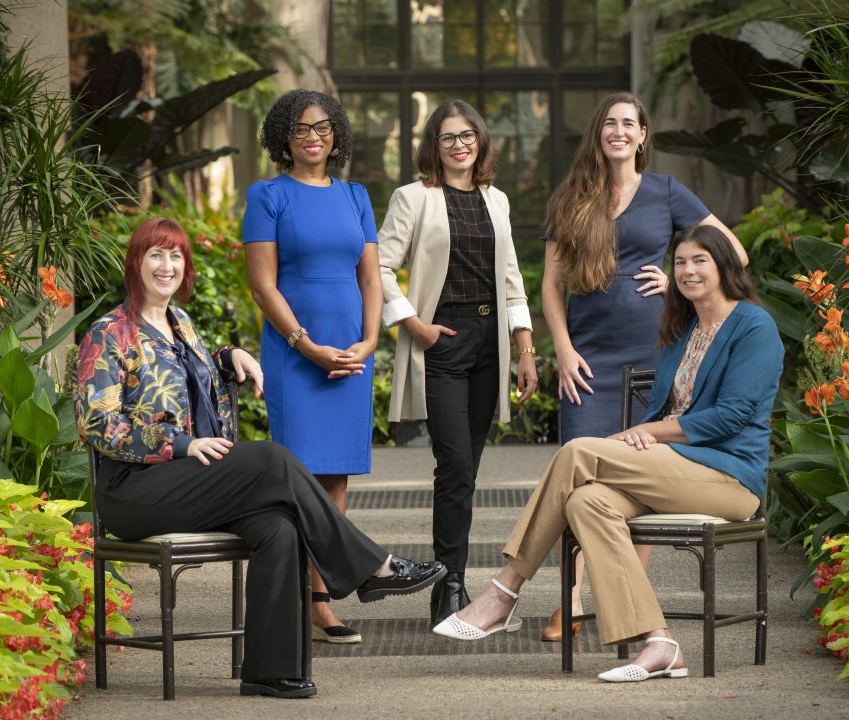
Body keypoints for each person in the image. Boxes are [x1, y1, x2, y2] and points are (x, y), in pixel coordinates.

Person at [76, 217, 445, 699]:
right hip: (134, 491)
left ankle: (270, 670)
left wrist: (230, 357)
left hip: (189, 481)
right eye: (155, 255)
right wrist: (182, 444)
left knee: (280, 526)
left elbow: (195, 378)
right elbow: (97, 424)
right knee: (273, 460)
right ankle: (371, 568)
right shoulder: (108, 334)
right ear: (136, 263)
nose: (166, 266)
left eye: (175, 256)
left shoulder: (180, 324)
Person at [434, 224, 783, 684]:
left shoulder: (753, 326)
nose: (688, 270)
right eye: (679, 261)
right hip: (673, 470)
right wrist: (647, 438)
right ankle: (659, 642)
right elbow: (668, 407)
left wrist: (647, 433)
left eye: (700, 260)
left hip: (729, 479)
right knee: (585, 502)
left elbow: (731, 417)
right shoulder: (683, 329)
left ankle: (504, 590)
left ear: (723, 265)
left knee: (578, 452)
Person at [539, 92, 750, 641]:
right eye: (609, 122)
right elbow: (551, 286)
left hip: (654, 354)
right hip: (586, 360)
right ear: (598, 134)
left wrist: (674, 278)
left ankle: (622, 598)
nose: (618, 131)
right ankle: (572, 599)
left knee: (643, 483)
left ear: (642, 136)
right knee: (576, 473)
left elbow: (734, 254)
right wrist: (562, 348)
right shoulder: (571, 197)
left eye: (628, 123)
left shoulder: (665, 191)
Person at [377, 99, 538, 626]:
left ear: (481, 140)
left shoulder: (497, 201)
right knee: (454, 467)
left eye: (468, 135)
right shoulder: (414, 198)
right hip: (440, 341)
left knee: (467, 470)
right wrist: (411, 322)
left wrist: (524, 347)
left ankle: (451, 578)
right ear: (433, 146)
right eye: (448, 137)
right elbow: (377, 265)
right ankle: (449, 585)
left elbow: (511, 275)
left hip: (490, 343)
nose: (459, 144)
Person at [242, 89, 381, 644]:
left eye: (322, 127)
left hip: (350, 353)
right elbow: (262, 284)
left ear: (336, 134)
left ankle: (321, 595)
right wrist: (304, 344)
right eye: (300, 129)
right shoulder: (267, 194)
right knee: (298, 474)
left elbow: (370, 278)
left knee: (336, 475)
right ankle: (305, 598)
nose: (313, 137)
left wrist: (369, 342)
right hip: (295, 352)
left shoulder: (356, 196)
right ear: (284, 138)